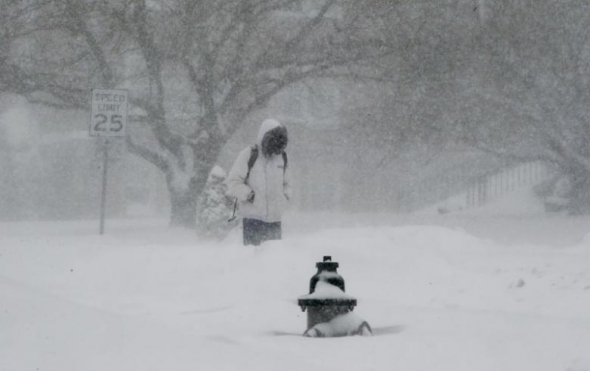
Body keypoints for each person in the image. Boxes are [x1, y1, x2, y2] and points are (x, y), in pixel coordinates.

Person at [227, 118, 292, 246]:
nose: (275, 149)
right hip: (253, 220)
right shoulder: (249, 155)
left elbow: (288, 184)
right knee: (253, 261)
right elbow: (233, 182)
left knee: (274, 260)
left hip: (275, 221)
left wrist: (283, 198)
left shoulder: (282, 158)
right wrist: (249, 195)